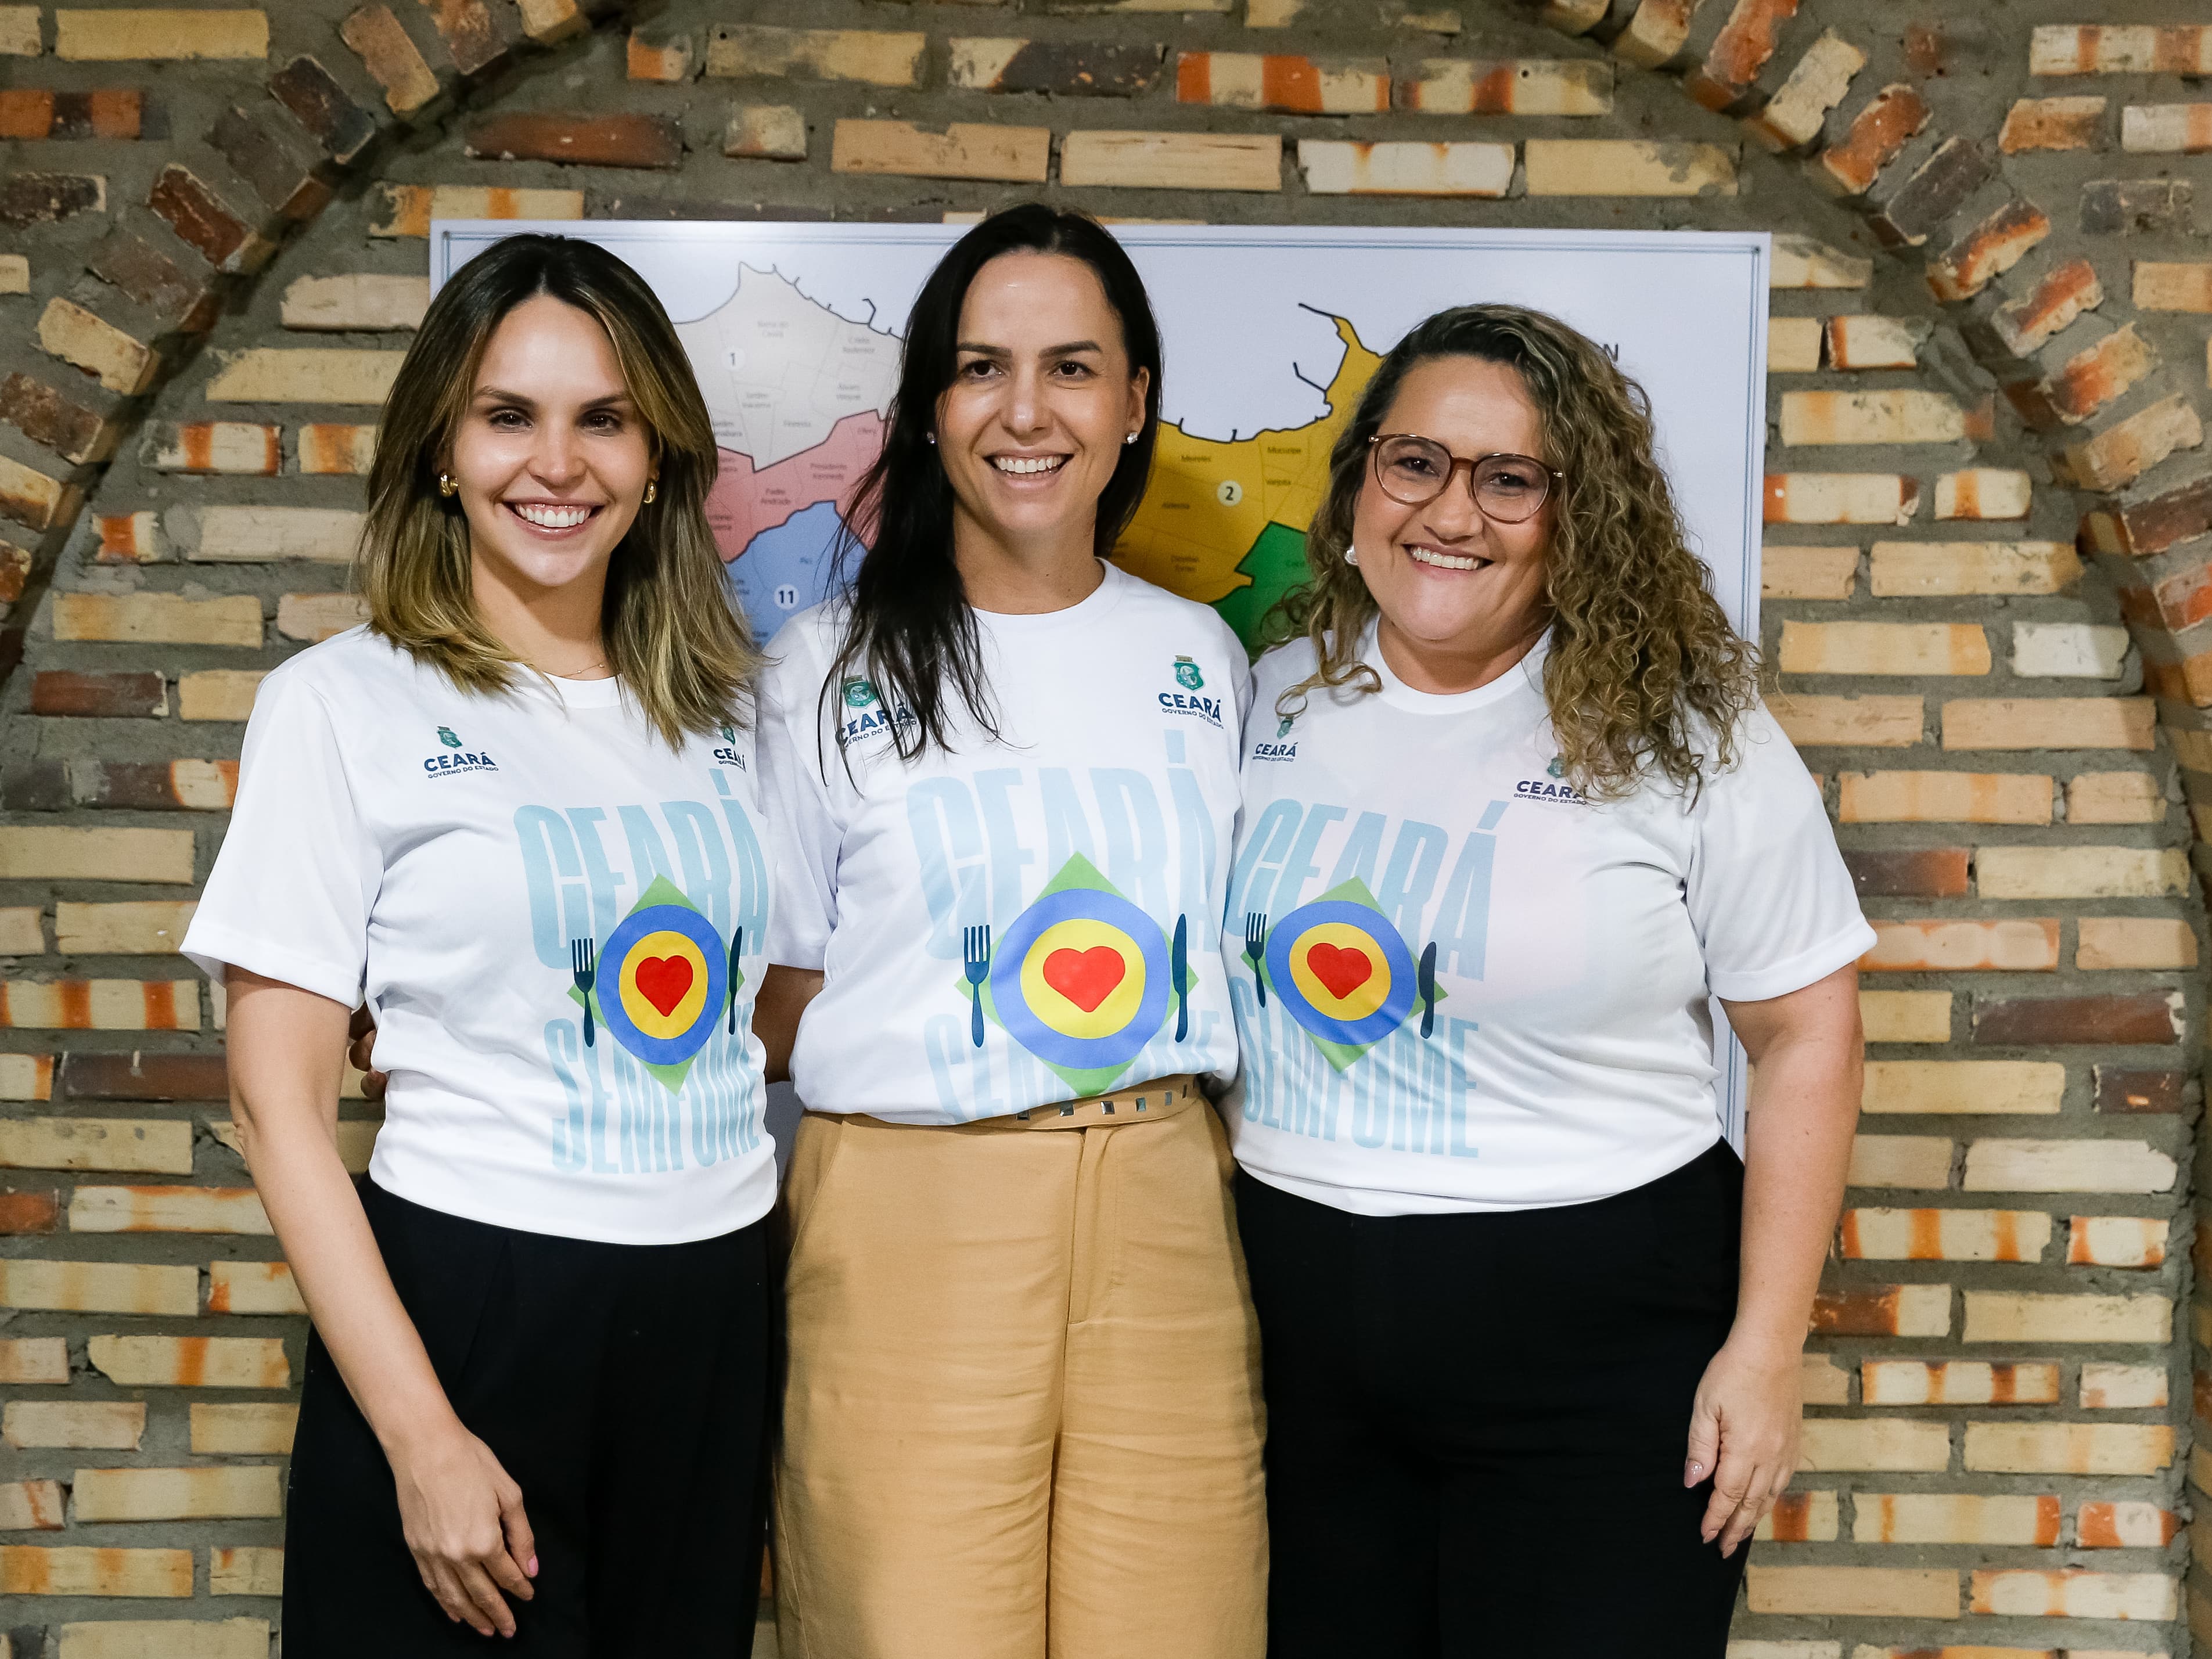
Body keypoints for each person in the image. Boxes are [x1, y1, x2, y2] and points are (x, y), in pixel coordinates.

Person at [1224, 303, 1870, 1657]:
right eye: (1417, 463)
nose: (1452, 512)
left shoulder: (1689, 732)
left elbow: (1807, 1028)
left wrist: (1766, 1351)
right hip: (1300, 1346)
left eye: (1510, 479)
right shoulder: (1275, 694)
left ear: (1575, 516)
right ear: (1358, 488)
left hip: (1598, 1356)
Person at [184, 233, 778, 1654]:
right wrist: (422, 1432)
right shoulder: (341, 704)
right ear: (442, 447)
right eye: (508, 415)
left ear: (658, 458)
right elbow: (277, 1105)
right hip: (472, 1305)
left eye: (603, 419)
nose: (556, 463)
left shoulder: (728, 715)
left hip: (710, 1308)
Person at [750, 204, 1266, 1659]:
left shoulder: (1200, 658)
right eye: (982, 368)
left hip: (1169, 1201)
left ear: (1138, 402)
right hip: (914, 1207)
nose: (1025, 412)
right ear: (928, 407)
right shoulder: (824, 670)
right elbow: (778, 988)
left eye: (1073, 368)